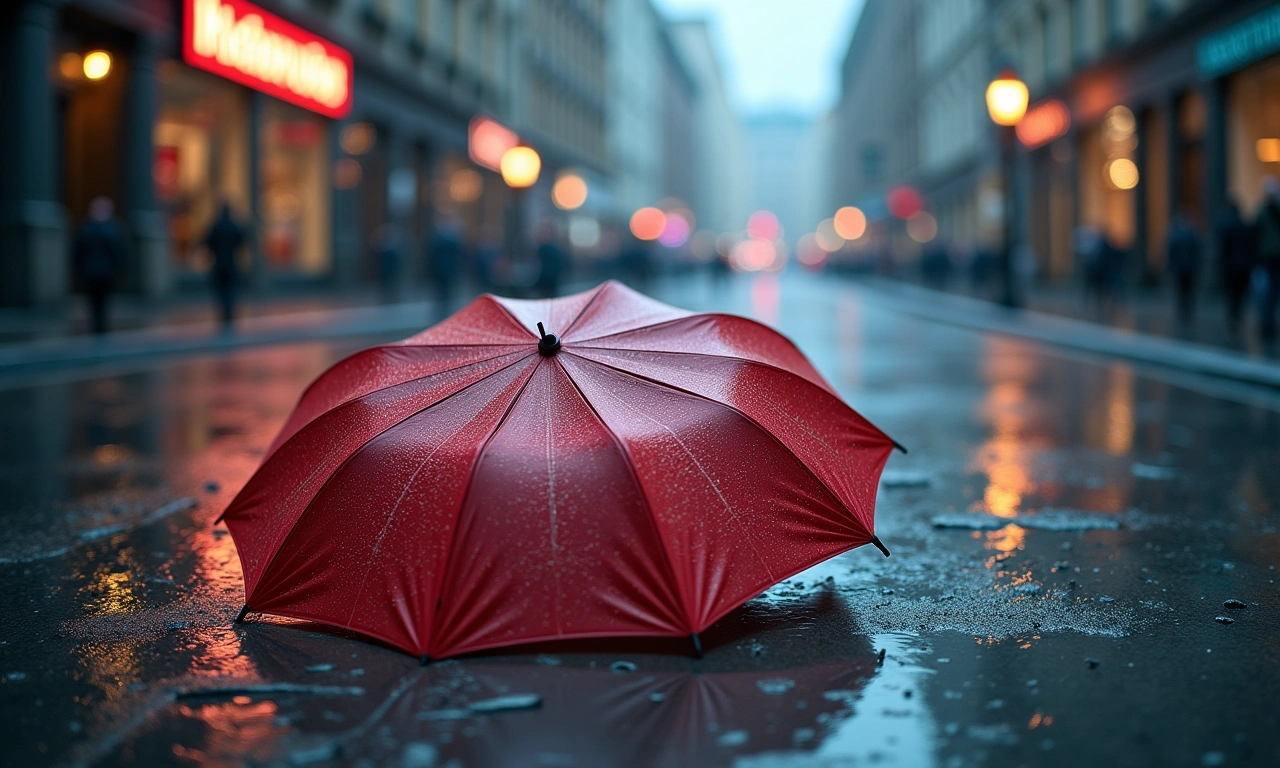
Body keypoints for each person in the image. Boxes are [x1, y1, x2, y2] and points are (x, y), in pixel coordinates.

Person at [73, 197, 126, 335]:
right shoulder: (112, 229)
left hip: (93, 273)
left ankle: (98, 326)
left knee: (96, 302)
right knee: (101, 302)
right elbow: (119, 253)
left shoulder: (86, 228)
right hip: (102, 273)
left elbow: (78, 252)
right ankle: (100, 326)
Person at [202, 203, 246, 328]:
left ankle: (224, 313)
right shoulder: (234, 226)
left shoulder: (216, 226)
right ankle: (229, 313)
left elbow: (207, 242)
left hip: (219, 263)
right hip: (232, 263)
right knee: (231, 289)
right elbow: (242, 241)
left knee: (221, 290)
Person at [1216, 198, 1256, 334]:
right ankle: (1238, 315)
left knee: (1232, 295)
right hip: (1244, 267)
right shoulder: (1245, 226)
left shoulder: (1227, 227)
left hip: (1231, 267)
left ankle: (1233, 317)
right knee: (1240, 294)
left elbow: (1223, 249)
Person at [1166, 212, 1202, 325]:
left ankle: (1182, 310)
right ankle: (1189, 310)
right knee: (1189, 290)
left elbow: (1171, 253)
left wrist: (1170, 266)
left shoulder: (1175, 236)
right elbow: (1197, 252)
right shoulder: (1192, 235)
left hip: (1179, 268)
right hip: (1190, 268)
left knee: (1181, 290)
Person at [1257, 176, 1280, 341]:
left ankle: (1268, 325)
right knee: (1270, 294)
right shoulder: (1266, 212)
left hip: (1267, 258)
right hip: (1271, 258)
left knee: (1267, 294)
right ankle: (1268, 324)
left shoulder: (1263, 212)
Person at [428, 214, 463, 311]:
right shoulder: (438, 236)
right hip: (439, 270)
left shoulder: (451, 236)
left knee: (448, 293)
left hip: (448, 270)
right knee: (440, 293)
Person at [534, 220, 567, 298]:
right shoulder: (554, 249)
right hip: (550, 287)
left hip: (546, 287)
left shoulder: (546, 250)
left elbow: (547, 271)